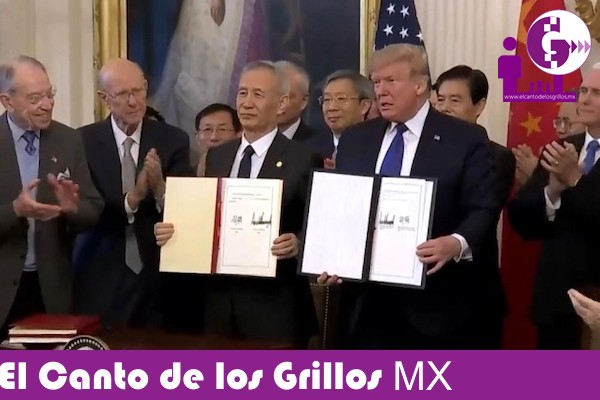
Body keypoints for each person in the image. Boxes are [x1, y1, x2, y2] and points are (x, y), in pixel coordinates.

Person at [320, 44, 500, 349]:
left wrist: (456, 242)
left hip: (437, 304)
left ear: (420, 85)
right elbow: (344, 208)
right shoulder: (356, 138)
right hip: (367, 307)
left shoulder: (464, 138)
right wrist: (332, 255)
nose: (381, 91)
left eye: (391, 81)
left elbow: (483, 206)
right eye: (377, 82)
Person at [155, 60, 322, 348]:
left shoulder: (303, 158)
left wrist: (298, 242)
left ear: (281, 103)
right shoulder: (218, 156)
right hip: (219, 300)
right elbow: (205, 218)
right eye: (242, 93)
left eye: (258, 94)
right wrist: (173, 231)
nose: (246, 103)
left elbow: (321, 227)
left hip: (275, 303)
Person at [74, 58, 192, 328]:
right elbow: (88, 209)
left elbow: (186, 210)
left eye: (138, 91)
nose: (133, 101)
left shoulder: (173, 140)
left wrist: (160, 188)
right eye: (123, 94)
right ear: (104, 98)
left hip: (157, 277)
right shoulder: (82, 142)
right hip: (100, 270)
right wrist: (134, 198)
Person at [0, 55, 103, 335]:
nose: (47, 104)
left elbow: (93, 209)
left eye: (49, 94)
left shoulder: (68, 140)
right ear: (7, 101)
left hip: (50, 290)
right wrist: (16, 209)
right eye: (35, 98)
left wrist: (72, 209)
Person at [507, 64, 600, 349]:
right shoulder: (561, 148)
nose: (585, 99)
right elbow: (521, 219)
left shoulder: (568, 162)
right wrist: (551, 193)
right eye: (583, 90)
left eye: (597, 93)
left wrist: (575, 179)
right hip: (556, 302)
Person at [309, 70, 374, 163]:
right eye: (327, 99)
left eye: (341, 99)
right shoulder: (309, 150)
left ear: (364, 106)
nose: (331, 108)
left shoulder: (378, 147)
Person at [274, 61, 320, 143]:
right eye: (274, 95)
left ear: (304, 100)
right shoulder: (251, 139)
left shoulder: (317, 144)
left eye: (287, 97)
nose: (280, 104)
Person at [195, 103, 242, 176]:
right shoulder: (183, 177)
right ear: (197, 137)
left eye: (222, 129)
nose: (214, 137)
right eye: (207, 129)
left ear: (238, 135)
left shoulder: (245, 174)